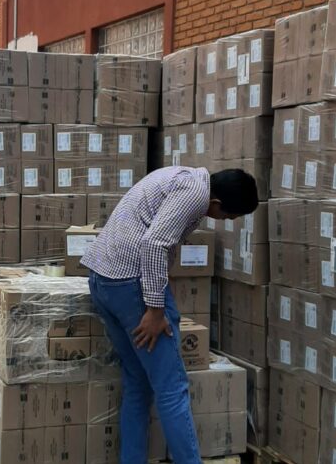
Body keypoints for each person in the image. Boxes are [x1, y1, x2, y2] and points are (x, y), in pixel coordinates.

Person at [81, 166, 258, 463]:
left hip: (103, 280)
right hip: (130, 285)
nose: (226, 221)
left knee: (137, 380)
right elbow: (154, 244)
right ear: (216, 204)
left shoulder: (181, 175)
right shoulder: (195, 194)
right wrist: (155, 309)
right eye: (228, 216)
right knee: (171, 388)